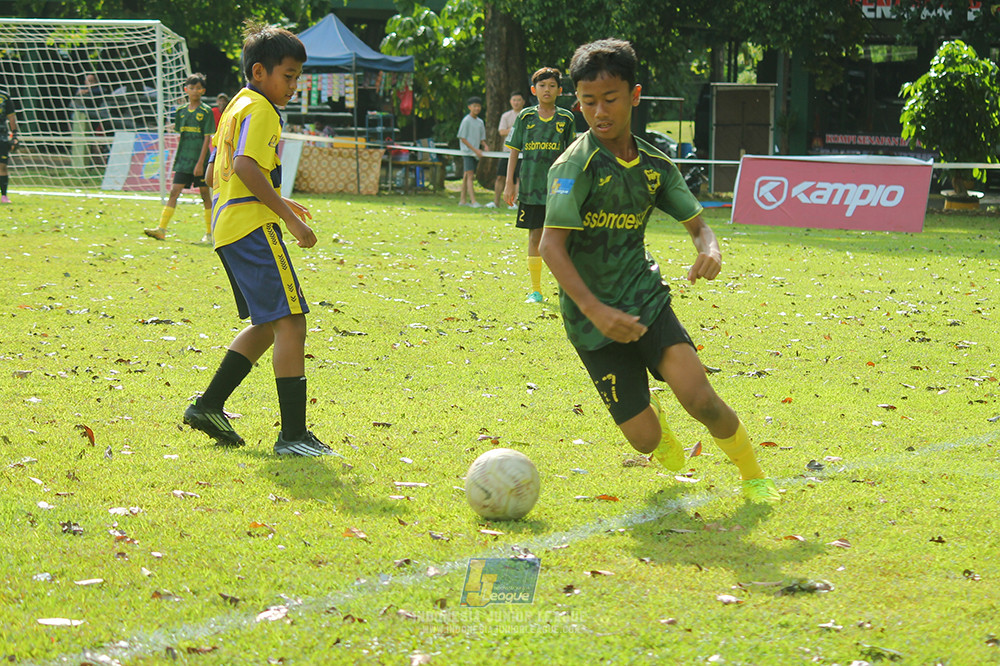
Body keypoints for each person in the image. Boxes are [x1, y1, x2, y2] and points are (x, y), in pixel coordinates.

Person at [539, 38, 780, 503]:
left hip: (645, 299)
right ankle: (657, 428)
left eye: (610, 99)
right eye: (589, 102)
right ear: (578, 103)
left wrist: (709, 248)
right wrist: (594, 310)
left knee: (701, 398)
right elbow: (551, 246)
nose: (599, 111)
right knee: (646, 440)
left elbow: (699, 225)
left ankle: (754, 477)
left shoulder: (654, 166)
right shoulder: (573, 166)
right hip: (591, 323)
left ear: (635, 95)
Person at [182, 21, 334, 457]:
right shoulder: (262, 109)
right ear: (259, 72)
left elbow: (216, 173)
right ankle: (293, 437)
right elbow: (247, 166)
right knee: (292, 323)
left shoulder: (234, 107)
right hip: (252, 228)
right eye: (288, 76)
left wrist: (277, 201)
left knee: (268, 324)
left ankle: (208, 406)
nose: (293, 86)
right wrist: (288, 217)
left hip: (228, 227)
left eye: (298, 78)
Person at [503, 68, 576, 304]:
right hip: (530, 187)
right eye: (542, 85)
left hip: (558, 189)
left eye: (552, 85)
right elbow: (514, 152)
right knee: (535, 236)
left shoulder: (566, 118)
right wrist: (509, 184)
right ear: (534, 90)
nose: (547, 90)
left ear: (560, 90)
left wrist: (571, 187)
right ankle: (536, 290)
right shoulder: (524, 117)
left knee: (559, 238)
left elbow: (570, 155)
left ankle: (566, 289)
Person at [143, 74, 215, 243]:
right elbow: (179, 136)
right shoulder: (180, 112)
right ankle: (161, 229)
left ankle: (210, 234)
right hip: (183, 160)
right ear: (186, 90)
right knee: (174, 191)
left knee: (205, 194)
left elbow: (207, 138)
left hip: (199, 161)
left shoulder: (206, 111)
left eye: (198, 88)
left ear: (203, 90)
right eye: (191, 88)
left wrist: (200, 163)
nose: (195, 91)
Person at [486, 91, 525, 210]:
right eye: (514, 100)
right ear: (510, 102)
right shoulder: (506, 116)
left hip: (523, 152)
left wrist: (511, 130)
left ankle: (514, 202)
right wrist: (516, 129)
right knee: (500, 177)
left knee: (519, 178)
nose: (516, 102)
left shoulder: (527, 115)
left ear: (523, 102)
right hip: (507, 151)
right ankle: (496, 202)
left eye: (519, 100)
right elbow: (501, 131)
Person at [456, 95, 488, 208]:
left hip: (475, 153)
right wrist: (474, 150)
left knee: (466, 175)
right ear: (470, 107)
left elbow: (481, 138)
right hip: (467, 152)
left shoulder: (480, 122)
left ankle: (462, 200)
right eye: (474, 106)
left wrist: (484, 146)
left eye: (478, 106)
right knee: (470, 175)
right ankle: (473, 201)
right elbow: (462, 138)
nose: (477, 109)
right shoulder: (466, 121)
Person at [0, 85, 18, 204]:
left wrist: (14, 135)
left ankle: (4, 196)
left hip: (1, 135)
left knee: (2, 166)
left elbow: (11, 116)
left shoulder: (4, 96)